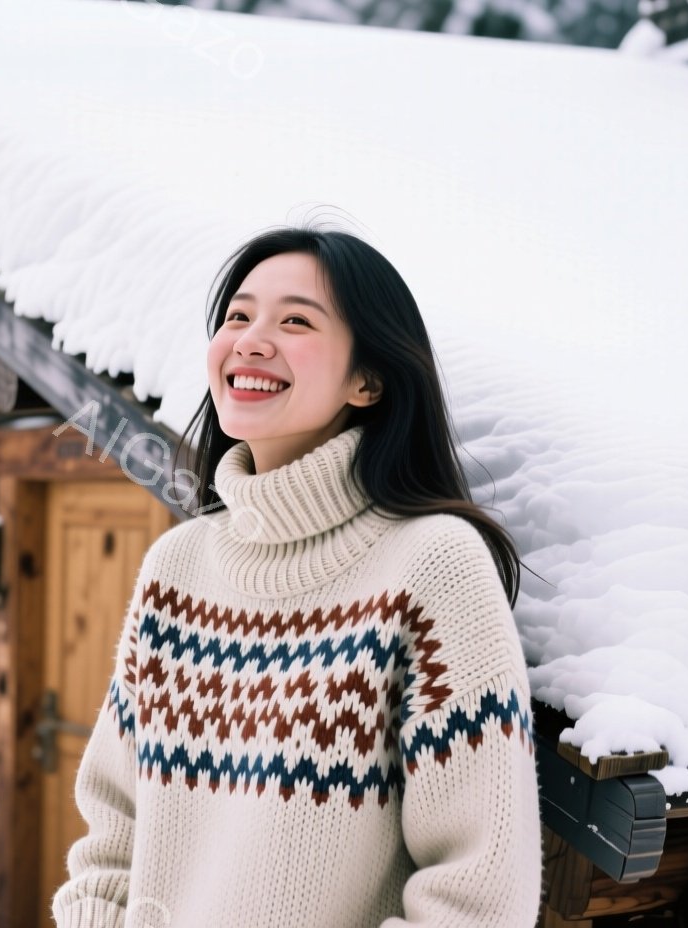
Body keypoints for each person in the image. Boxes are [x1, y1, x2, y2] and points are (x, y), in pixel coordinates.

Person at [49, 225, 543, 928]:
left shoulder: (432, 565)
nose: (250, 339)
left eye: (295, 321)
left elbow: (480, 893)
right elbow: (113, 832)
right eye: (238, 316)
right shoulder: (178, 567)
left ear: (368, 380)